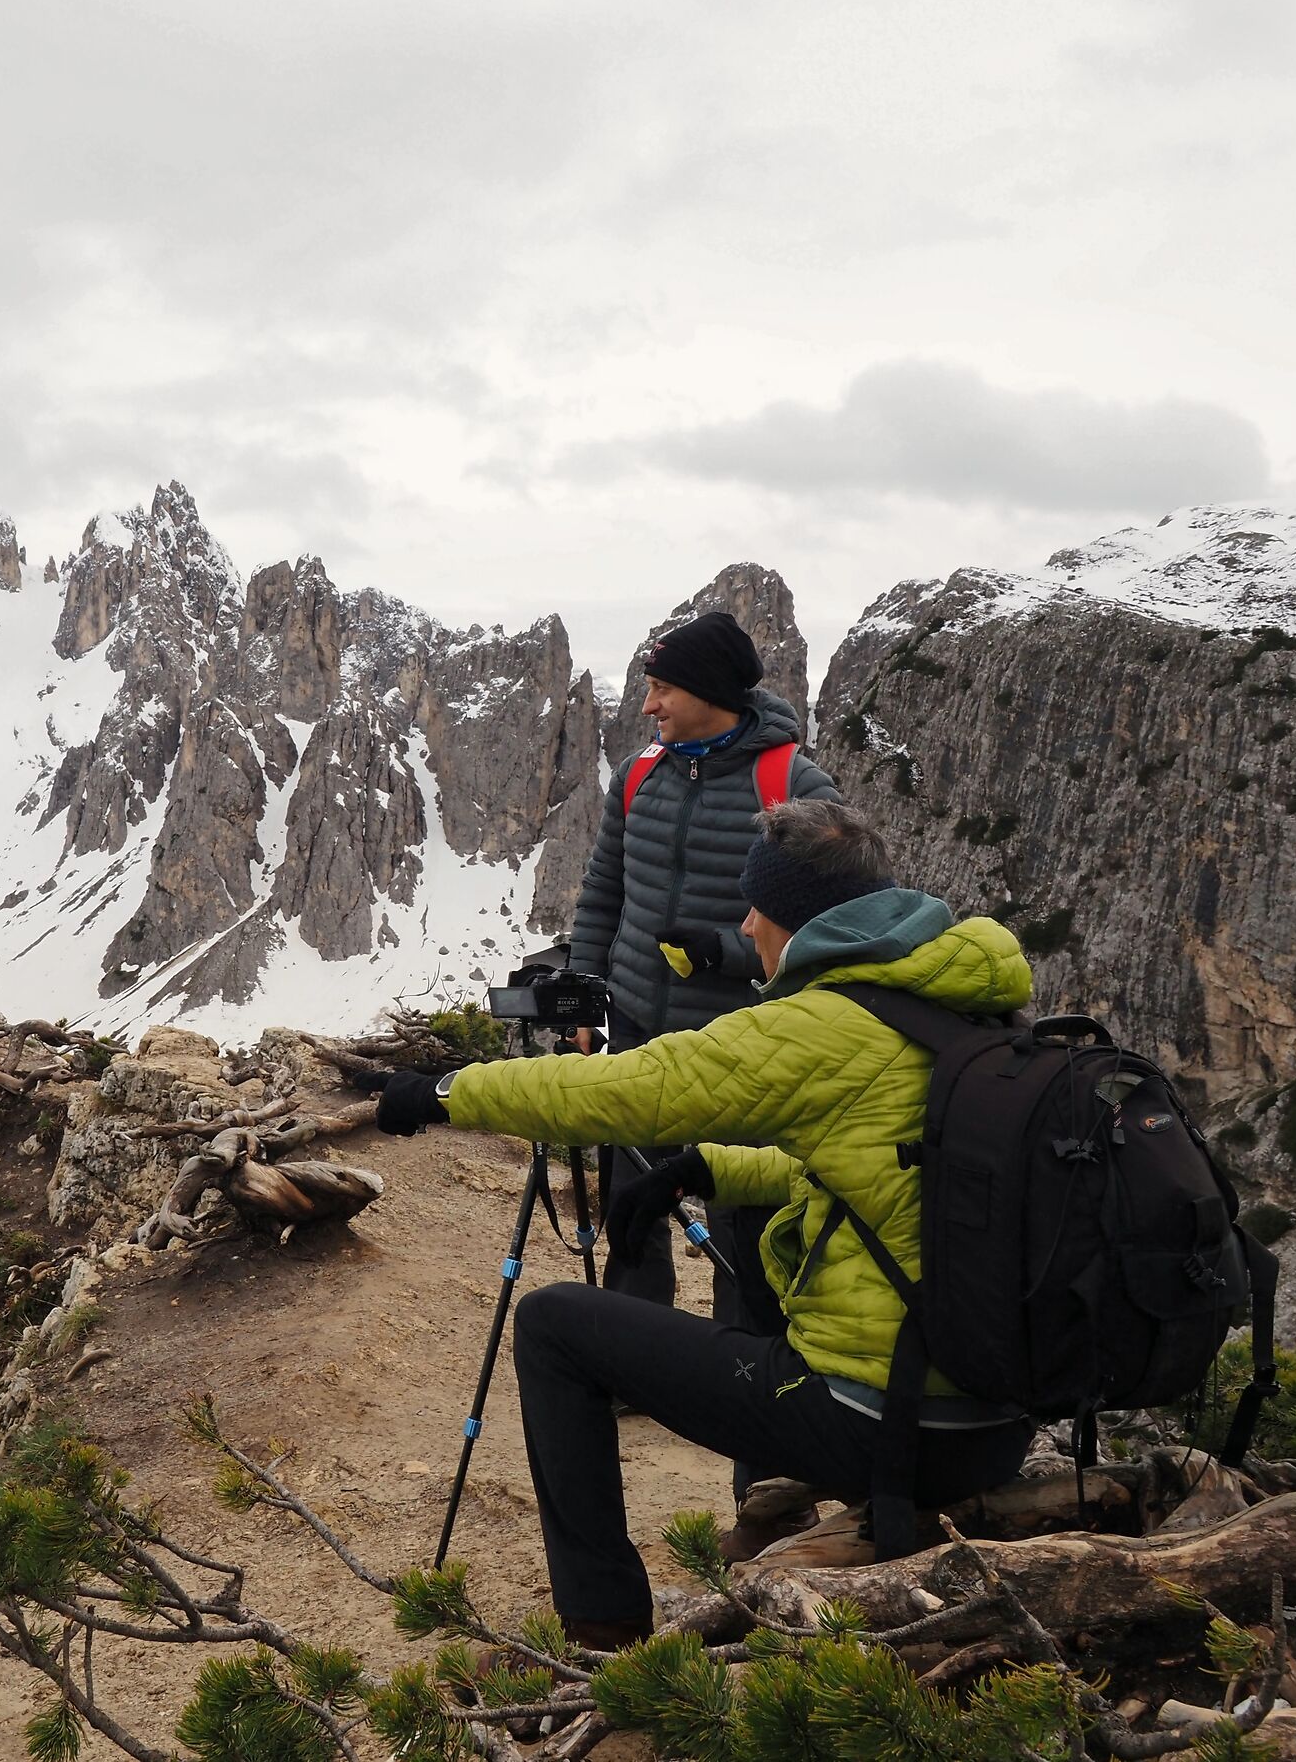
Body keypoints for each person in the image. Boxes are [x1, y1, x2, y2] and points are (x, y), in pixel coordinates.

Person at [372, 801, 1035, 1647]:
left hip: (885, 1424)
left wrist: (442, 1094)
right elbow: (885, 1176)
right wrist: (707, 1167)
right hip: (998, 1418)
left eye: (757, 905)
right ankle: (769, 1514)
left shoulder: (824, 1027)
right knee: (753, 1234)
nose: (746, 923)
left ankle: (603, 1632)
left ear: (795, 918)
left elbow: (622, 1090)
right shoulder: (956, 1005)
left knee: (552, 1325)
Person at [571, 609, 838, 1335]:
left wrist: (724, 950)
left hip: (743, 1040)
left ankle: (745, 1368)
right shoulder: (638, 777)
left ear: (709, 692)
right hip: (635, 1022)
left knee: (742, 1210)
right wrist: (583, 1001)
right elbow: (604, 892)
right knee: (630, 1198)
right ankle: (632, 1353)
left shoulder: (795, 786)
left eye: (662, 688)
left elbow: (833, 932)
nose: (650, 704)